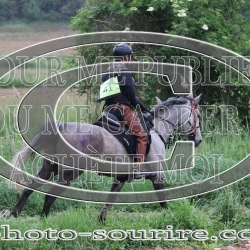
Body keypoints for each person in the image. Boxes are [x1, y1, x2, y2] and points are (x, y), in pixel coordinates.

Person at [98, 43, 155, 178]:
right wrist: (140, 105)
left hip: (108, 110)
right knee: (142, 135)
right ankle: (139, 167)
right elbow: (131, 94)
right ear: (127, 57)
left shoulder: (107, 72)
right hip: (122, 110)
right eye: (130, 56)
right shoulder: (124, 72)